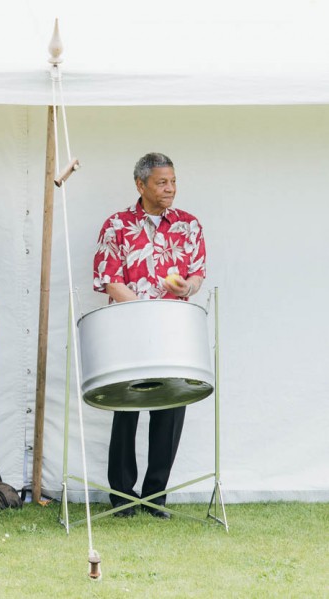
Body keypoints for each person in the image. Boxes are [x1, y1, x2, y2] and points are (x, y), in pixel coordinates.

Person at [92, 152, 206, 519]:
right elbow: (109, 278)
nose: (169, 188)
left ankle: (155, 497)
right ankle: (122, 498)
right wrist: (144, 310)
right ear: (140, 185)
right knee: (127, 408)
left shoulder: (189, 225)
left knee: (171, 409)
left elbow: (197, 274)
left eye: (172, 181)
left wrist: (187, 286)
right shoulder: (117, 225)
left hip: (174, 330)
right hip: (130, 327)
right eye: (161, 182)